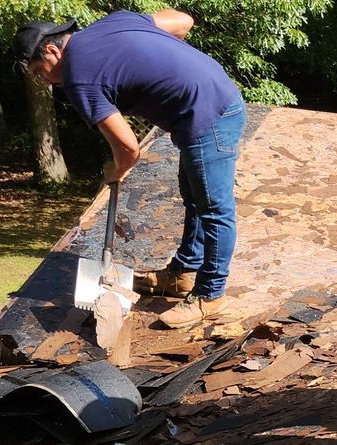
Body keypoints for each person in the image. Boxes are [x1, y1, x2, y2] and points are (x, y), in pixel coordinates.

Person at [14, 11, 244, 330]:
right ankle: (183, 275)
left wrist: (116, 172)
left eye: (40, 71)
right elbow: (184, 21)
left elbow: (128, 147)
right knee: (195, 198)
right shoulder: (114, 22)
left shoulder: (78, 77)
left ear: (52, 51)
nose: (45, 80)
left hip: (209, 115)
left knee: (214, 209)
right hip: (211, 99)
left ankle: (211, 295)